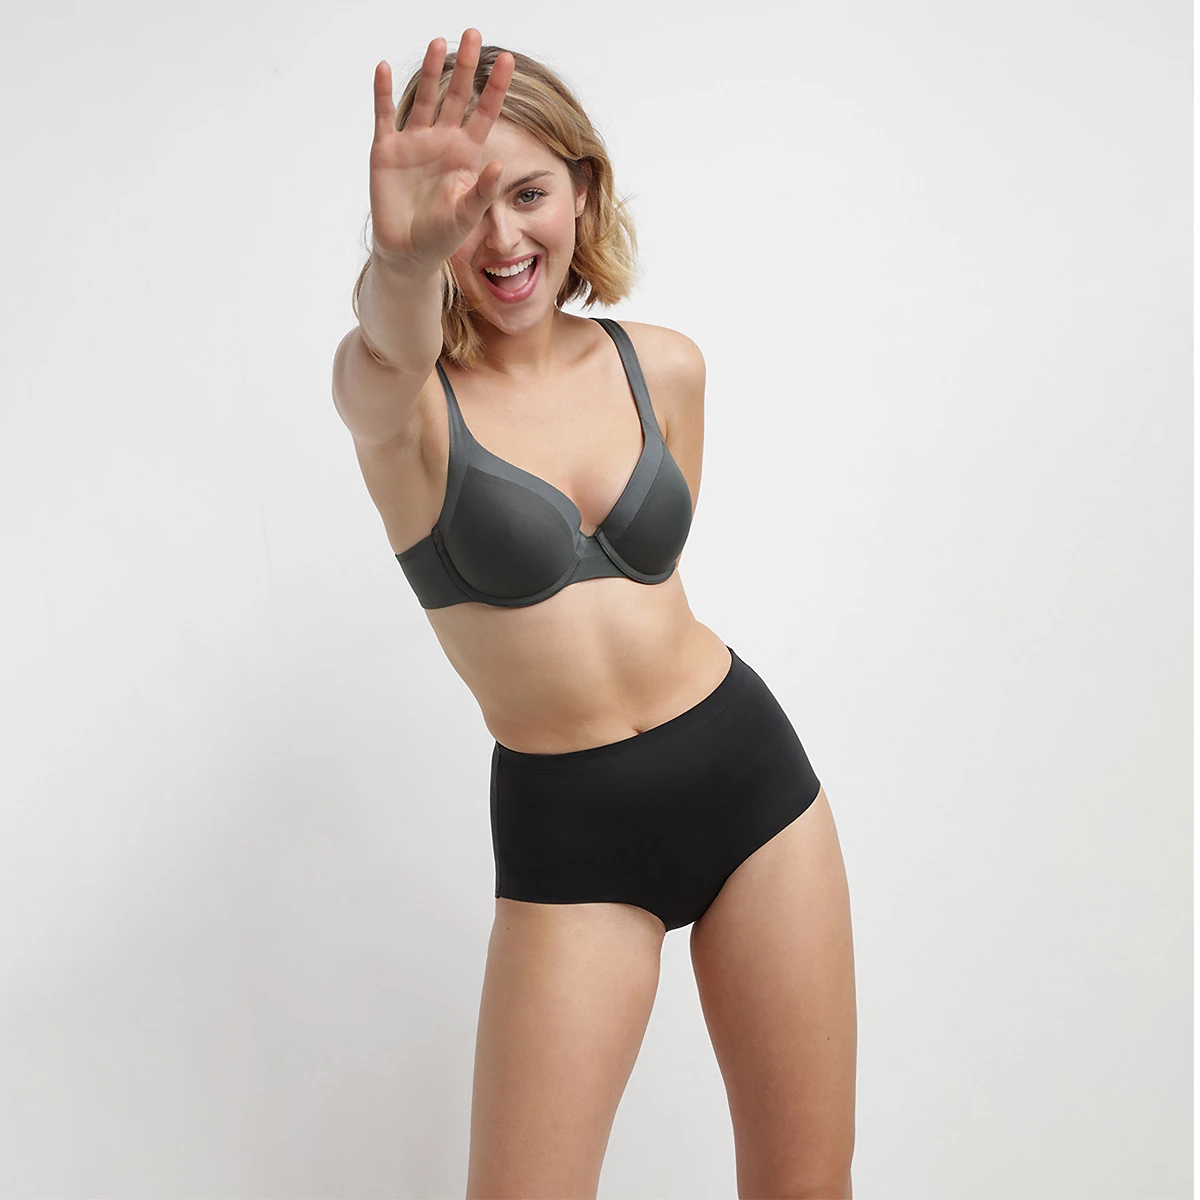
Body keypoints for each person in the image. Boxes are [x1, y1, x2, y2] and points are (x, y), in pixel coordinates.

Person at [331, 28, 856, 1199]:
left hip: (751, 784)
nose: (501, 239)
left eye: (529, 194)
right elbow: (379, 356)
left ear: (583, 191)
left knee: (807, 1187)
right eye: (465, 207)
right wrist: (402, 265)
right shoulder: (407, 413)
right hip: (574, 836)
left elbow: (652, 589)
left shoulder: (663, 367)